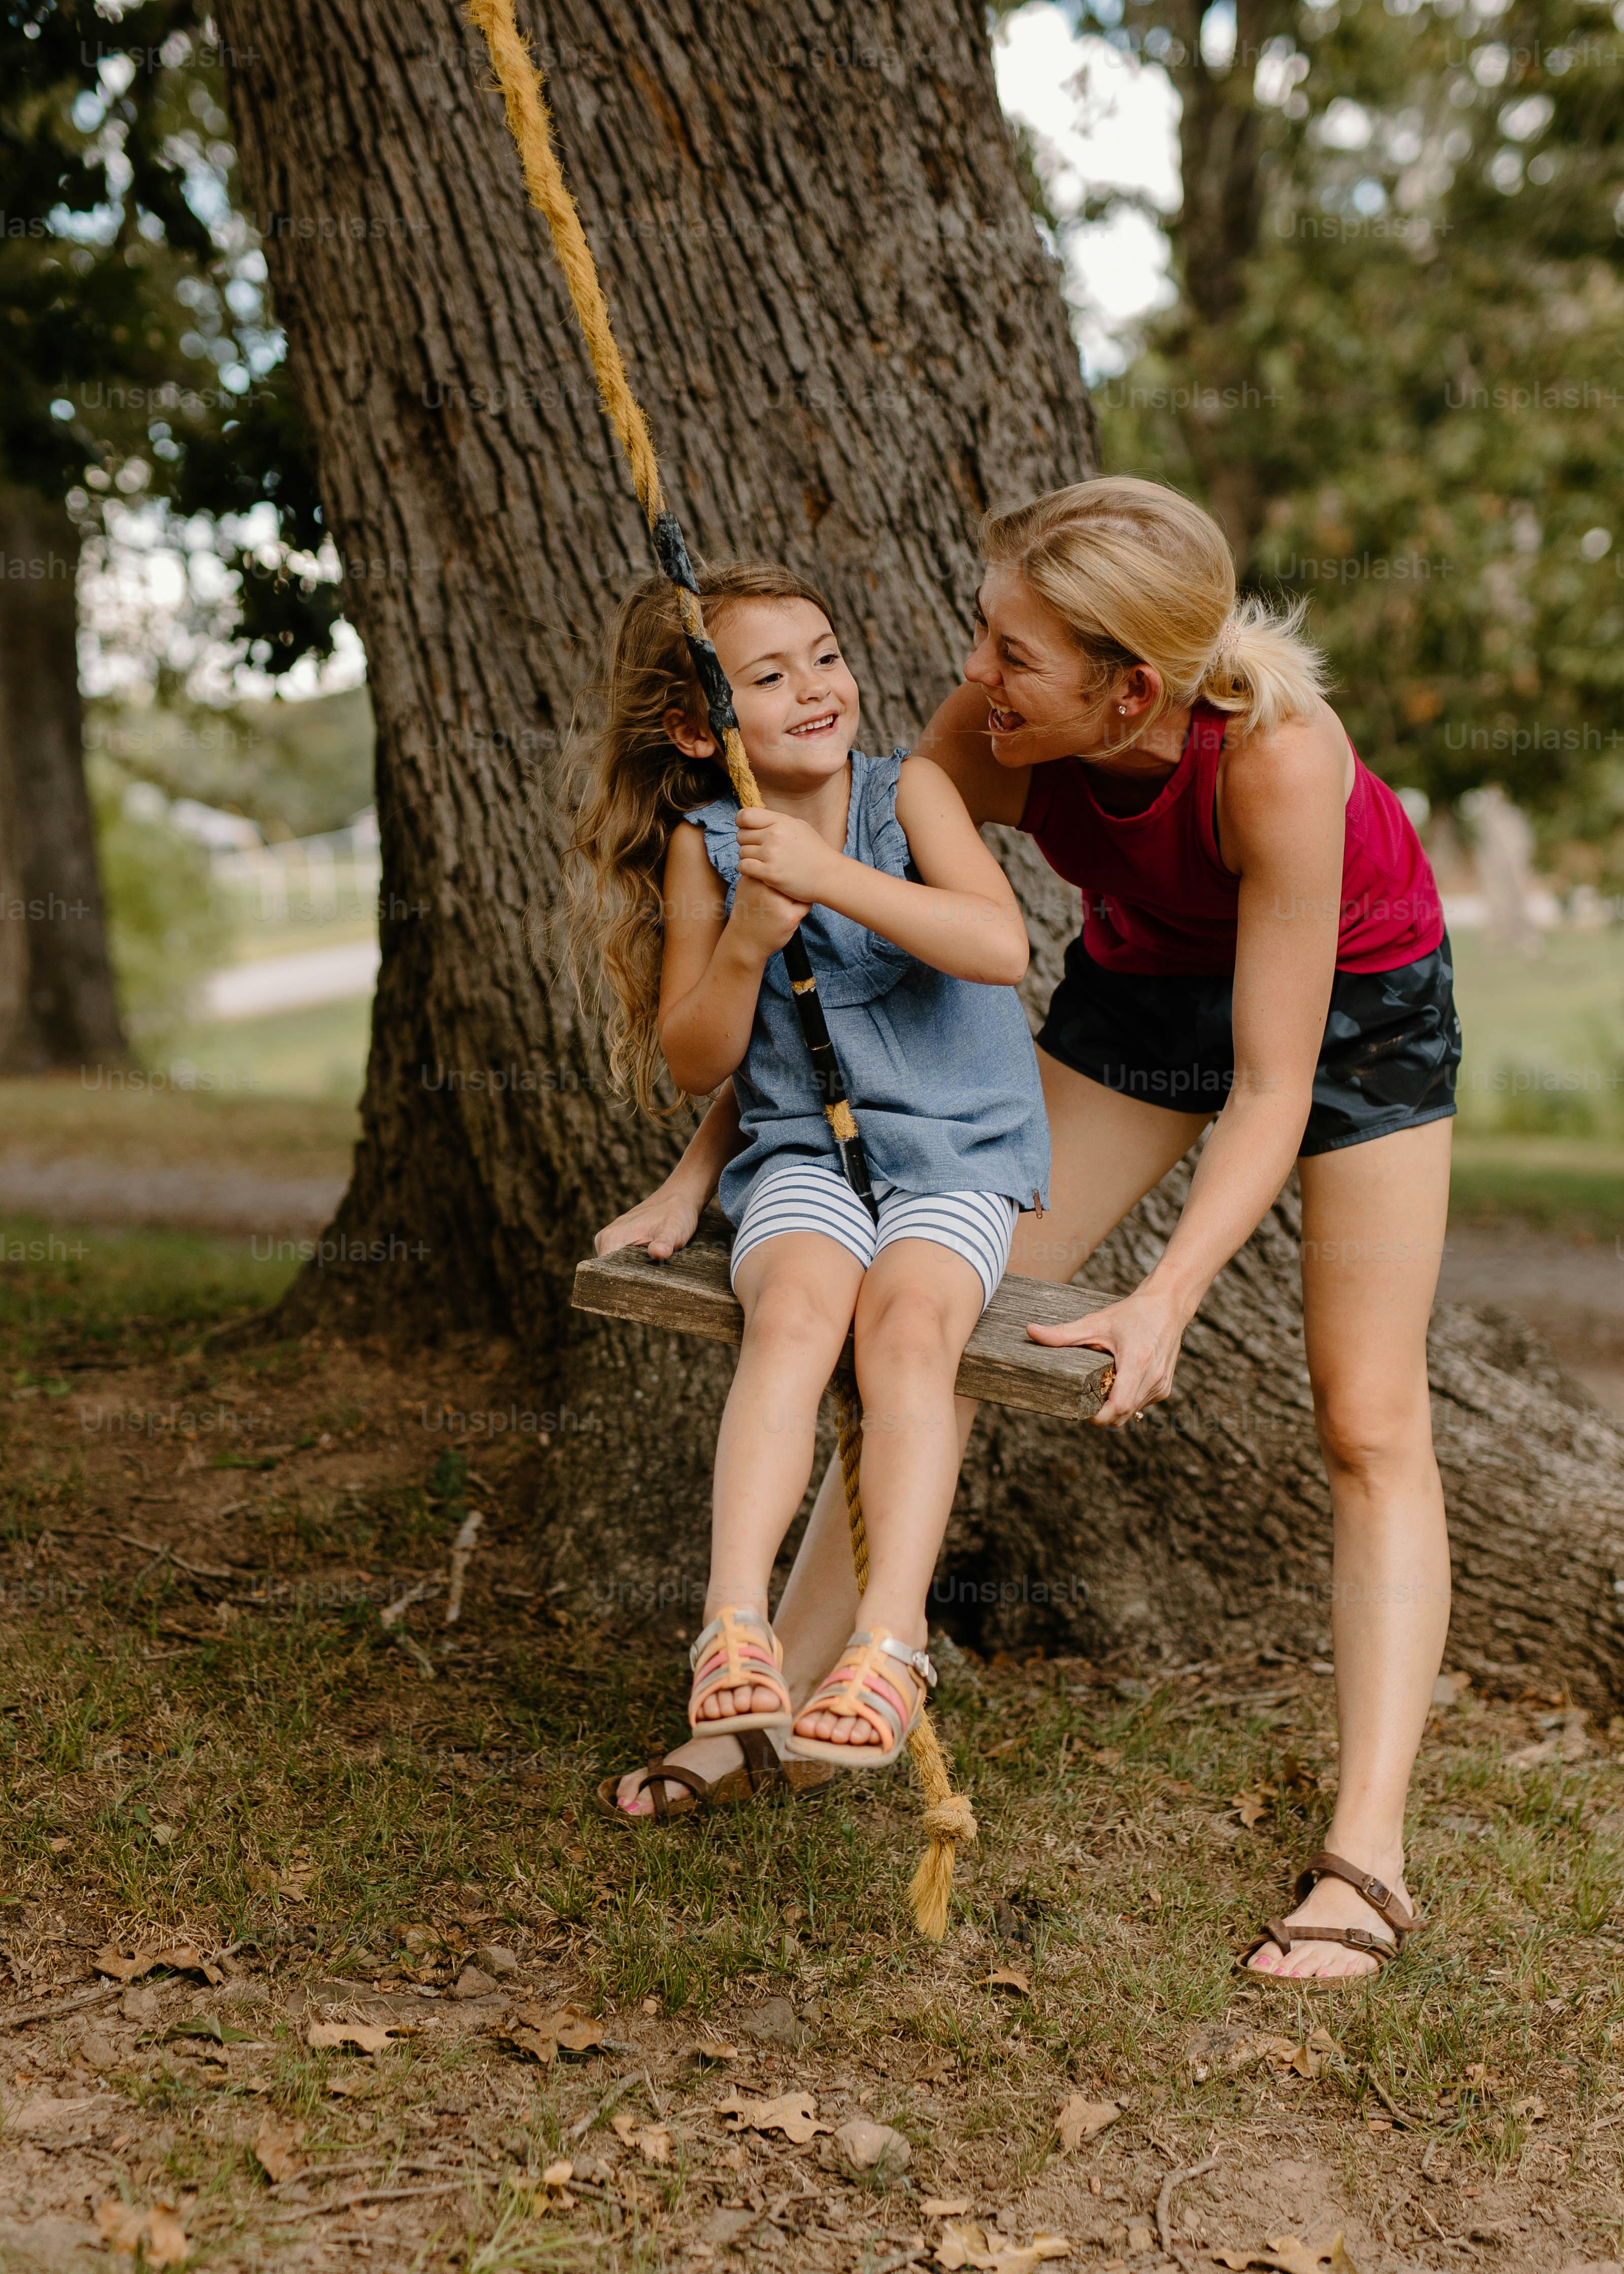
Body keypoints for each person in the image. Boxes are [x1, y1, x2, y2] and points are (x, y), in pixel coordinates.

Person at [596, 479, 1455, 1982]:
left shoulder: (1271, 764)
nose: (975, 674)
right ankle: (770, 1710)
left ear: (1131, 687)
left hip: (1359, 1013)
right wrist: (698, 1168)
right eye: (988, 637)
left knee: (1368, 1417)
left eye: (1014, 652)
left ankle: (1364, 1858)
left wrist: (1170, 1297)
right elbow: (823, 988)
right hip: (1140, 997)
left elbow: (1270, 1083)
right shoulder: (985, 735)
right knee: (918, 1311)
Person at [569, 561, 1049, 1818]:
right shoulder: (706, 843)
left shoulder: (912, 793)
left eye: (823, 656)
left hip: (956, 1153)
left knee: (907, 1331)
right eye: (766, 677)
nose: (812, 689)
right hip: (802, 1155)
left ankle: (889, 1647)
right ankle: (734, 1622)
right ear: (696, 728)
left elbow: (997, 945)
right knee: (790, 1319)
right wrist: (744, 936)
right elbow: (694, 1057)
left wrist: (829, 878)